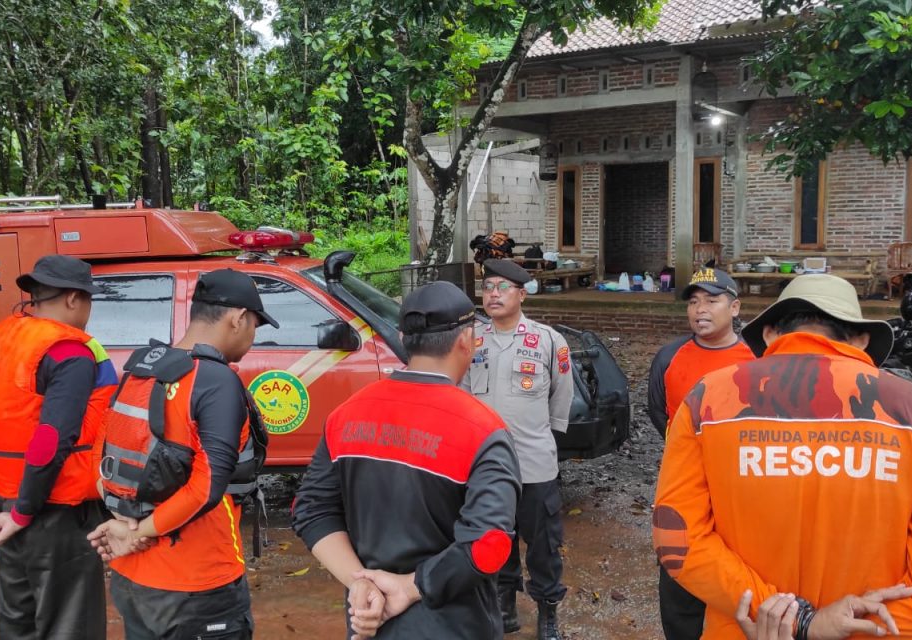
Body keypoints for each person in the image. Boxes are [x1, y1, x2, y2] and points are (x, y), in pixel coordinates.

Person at [654, 274, 912, 639]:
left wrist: (797, 621)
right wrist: (845, 626)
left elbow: (678, 540)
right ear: (860, 338)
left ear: (771, 334)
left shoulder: (707, 402)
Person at [292, 281, 520, 639]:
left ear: (402, 338)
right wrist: (410, 587)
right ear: (466, 340)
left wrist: (360, 584)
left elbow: (311, 510)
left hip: (369, 620)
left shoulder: (346, 414)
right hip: (454, 625)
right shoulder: (482, 429)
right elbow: (489, 544)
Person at [85, 269, 275, 640]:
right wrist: (140, 529)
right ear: (237, 318)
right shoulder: (216, 380)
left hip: (134, 581)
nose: (253, 337)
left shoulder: (144, 368)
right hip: (197, 584)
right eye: (255, 325)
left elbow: (102, 454)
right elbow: (206, 488)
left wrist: (125, 524)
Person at [0, 255, 118, 639]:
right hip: (53, 512)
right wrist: (24, 513)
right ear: (74, 299)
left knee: (17, 621)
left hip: (0, 506)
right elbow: (50, 439)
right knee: (70, 625)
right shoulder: (68, 351)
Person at [460, 258, 573, 640]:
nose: (492, 293)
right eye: (488, 286)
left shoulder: (548, 340)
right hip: (487, 464)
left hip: (534, 463)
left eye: (502, 287)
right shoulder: (470, 339)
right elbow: (459, 393)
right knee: (496, 537)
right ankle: (504, 603)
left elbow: (562, 397)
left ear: (522, 294)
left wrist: (544, 439)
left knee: (543, 544)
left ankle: (548, 612)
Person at [646, 267, 754, 639]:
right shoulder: (669, 357)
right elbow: (659, 411)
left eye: (712, 300)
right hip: (685, 489)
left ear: (735, 307)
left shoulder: (757, 358)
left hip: (743, 489)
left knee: (742, 580)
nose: (700, 310)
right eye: (693, 302)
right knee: (680, 574)